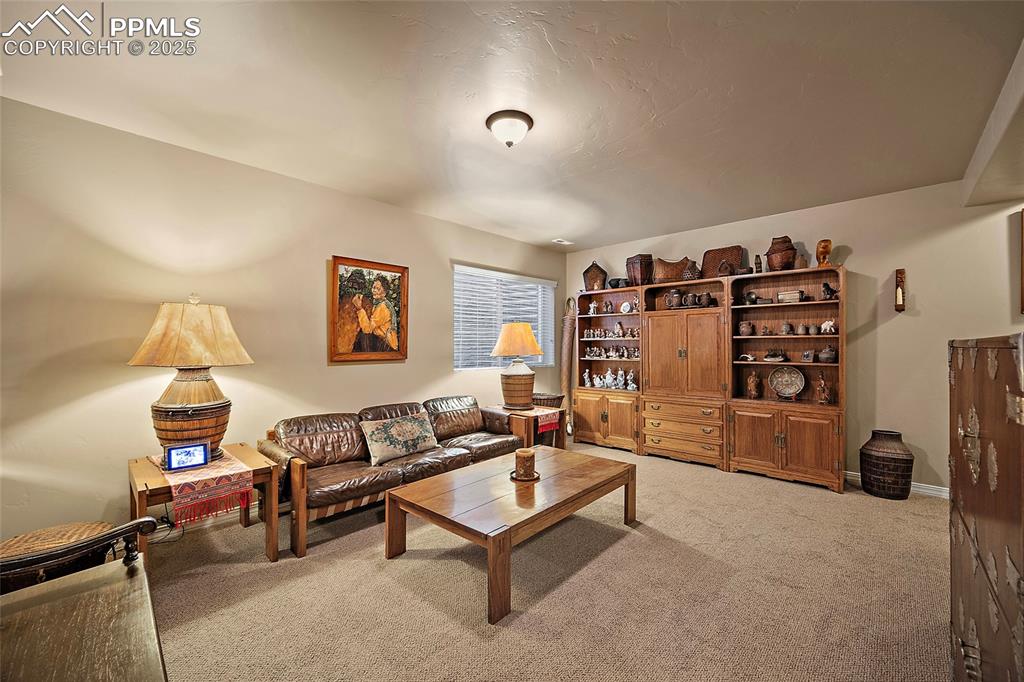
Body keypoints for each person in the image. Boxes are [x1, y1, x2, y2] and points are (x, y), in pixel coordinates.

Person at [353, 275, 399, 351]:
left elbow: (367, 329)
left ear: (384, 293)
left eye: (378, 288)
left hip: (387, 345)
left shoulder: (383, 307)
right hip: (380, 340)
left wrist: (359, 309)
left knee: (362, 337)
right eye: (373, 287)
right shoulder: (378, 304)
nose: (374, 290)